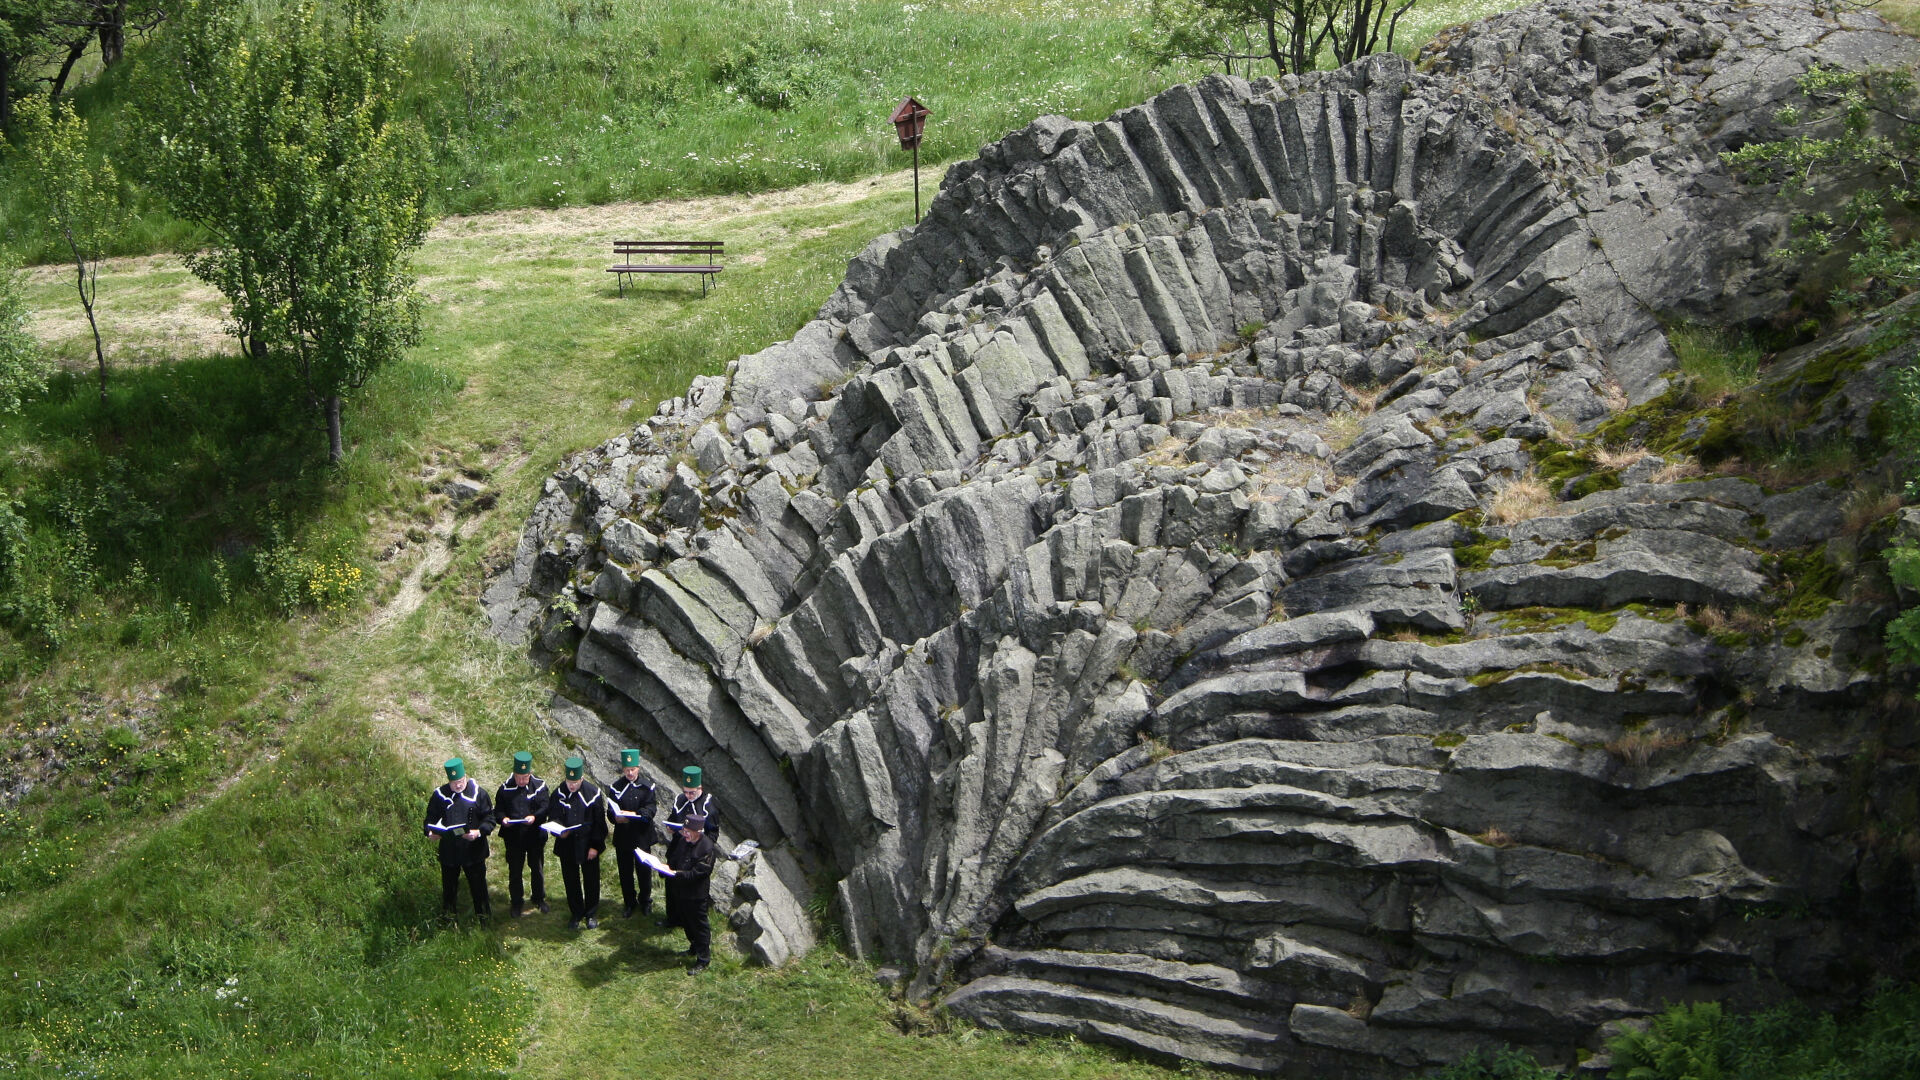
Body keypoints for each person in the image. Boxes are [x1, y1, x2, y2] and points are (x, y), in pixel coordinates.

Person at [424, 757, 494, 919]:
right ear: (449, 780)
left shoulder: (478, 793)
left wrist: (478, 832)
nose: (458, 785)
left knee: (478, 888)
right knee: (449, 888)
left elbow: (489, 818)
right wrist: (430, 832)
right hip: (450, 852)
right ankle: (449, 919)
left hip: (473, 850)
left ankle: (484, 919)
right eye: (454, 782)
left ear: (466, 777)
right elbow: (430, 819)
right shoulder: (439, 795)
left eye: (461, 780)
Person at [547, 756, 607, 930]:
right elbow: (554, 817)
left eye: (575, 781)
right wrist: (559, 831)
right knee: (570, 880)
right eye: (569, 781)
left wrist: (595, 846)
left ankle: (591, 913)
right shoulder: (558, 793)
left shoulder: (593, 793)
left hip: (588, 845)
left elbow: (599, 824)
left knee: (591, 880)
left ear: (582, 778)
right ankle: (576, 912)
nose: (571, 785)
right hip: (568, 845)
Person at [659, 764, 719, 929]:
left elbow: (713, 835)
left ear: (700, 788)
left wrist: (697, 839)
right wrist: (671, 827)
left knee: (687, 886)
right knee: (671, 884)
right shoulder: (680, 800)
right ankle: (672, 918)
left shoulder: (708, 807)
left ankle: (687, 920)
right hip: (678, 848)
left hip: (694, 853)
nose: (688, 795)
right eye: (685, 792)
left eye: (691, 792)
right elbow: (674, 817)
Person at [494, 751, 551, 918]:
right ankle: (516, 902)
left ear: (530, 774)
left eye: (525, 778)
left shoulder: (539, 786)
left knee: (537, 868)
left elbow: (545, 806)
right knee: (515, 871)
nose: (521, 781)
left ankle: (539, 898)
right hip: (514, 838)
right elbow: (498, 810)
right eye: (519, 777)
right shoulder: (505, 788)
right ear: (514, 774)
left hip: (534, 836)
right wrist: (503, 819)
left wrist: (534, 817)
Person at [607, 749, 658, 919]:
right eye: (627, 770)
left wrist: (638, 815)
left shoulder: (647, 787)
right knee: (625, 873)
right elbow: (610, 811)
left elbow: (651, 808)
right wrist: (615, 817)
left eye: (633, 769)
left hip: (641, 837)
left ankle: (645, 901)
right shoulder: (616, 787)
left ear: (638, 768)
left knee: (644, 872)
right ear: (623, 769)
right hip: (623, 837)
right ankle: (629, 902)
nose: (630, 773)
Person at [664, 813, 717, 972]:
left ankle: (703, 958)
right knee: (686, 922)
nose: (684, 833)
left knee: (699, 926)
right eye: (683, 830)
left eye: (687, 831)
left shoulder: (707, 848)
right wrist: (665, 869)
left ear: (698, 831)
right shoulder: (683, 841)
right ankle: (693, 947)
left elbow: (698, 874)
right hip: (680, 891)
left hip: (696, 895)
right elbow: (674, 859)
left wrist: (676, 874)